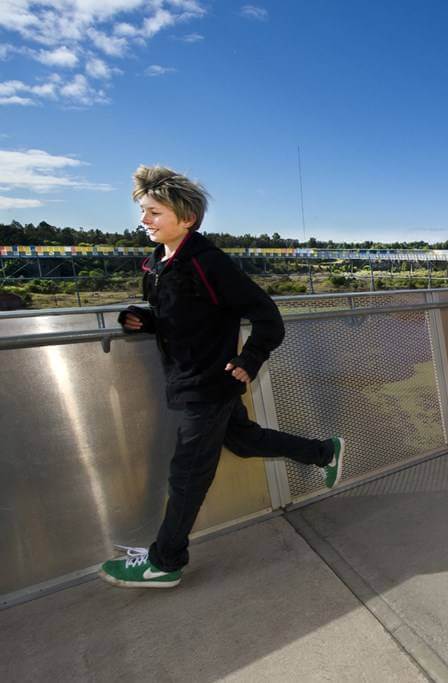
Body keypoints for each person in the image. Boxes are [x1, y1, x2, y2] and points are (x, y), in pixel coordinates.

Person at [100, 166, 344, 589]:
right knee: (245, 442)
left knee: (188, 473)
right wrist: (145, 320)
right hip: (189, 379)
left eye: (154, 212)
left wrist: (250, 359)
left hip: (210, 384)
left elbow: (269, 318)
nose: (144, 221)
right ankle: (325, 452)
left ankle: (165, 561)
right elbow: (184, 320)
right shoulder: (158, 264)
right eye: (143, 211)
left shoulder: (209, 263)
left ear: (186, 218)